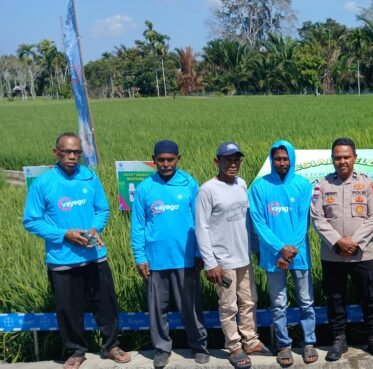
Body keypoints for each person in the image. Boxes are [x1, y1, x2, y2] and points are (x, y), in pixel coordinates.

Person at [23, 132, 131, 369]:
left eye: (76, 152)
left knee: (106, 304)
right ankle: (76, 351)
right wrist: (64, 234)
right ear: (56, 153)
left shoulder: (90, 177)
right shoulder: (43, 184)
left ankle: (111, 346)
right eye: (67, 152)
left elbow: (102, 208)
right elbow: (31, 220)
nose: (72, 156)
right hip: (62, 260)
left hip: (94, 256)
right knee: (68, 309)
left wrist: (95, 228)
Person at [130, 140, 209, 368]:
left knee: (191, 307)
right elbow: (138, 226)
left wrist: (198, 252)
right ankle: (162, 348)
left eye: (170, 159)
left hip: (185, 258)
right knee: (157, 309)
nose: (165, 164)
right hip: (156, 260)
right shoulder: (145, 188)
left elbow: (199, 221)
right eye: (161, 159)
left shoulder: (189, 184)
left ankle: (199, 345)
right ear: (153, 159)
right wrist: (140, 256)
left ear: (178, 159)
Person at [310, 138, 373, 361]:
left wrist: (354, 241)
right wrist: (338, 241)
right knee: (335, 298)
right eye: (337, 157)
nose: (342, 161)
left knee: (370, 297)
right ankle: (339, 340)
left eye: (346, 156)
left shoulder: (368, 183)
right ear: (332, 159)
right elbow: (318, 217)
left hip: (362, 253)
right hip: (333, 255)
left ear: (355, 157)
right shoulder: (322, 185)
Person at [195, 142, 267, 369]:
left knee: (249, 300)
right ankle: (234, 346)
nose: (232, 164)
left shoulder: (242, 184)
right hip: (223, 261)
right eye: (227, 160)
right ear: (217, 162)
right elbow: (201, 227)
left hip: (243, 257)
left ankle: (251, 340)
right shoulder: (208, 190)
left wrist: (255, 248)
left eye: (236, 160)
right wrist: (210, 263)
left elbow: (247, 221)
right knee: (228, 306)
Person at [248, 140, 318, 366]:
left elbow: (303, 221)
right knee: (278, 303)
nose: (282, 163)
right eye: (277, 159)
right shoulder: (259, 187)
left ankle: (309, 342)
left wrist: (290, 249)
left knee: (306, 301)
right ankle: (284, 345)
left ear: (292, 159)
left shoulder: (303, 185)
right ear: (271, 160)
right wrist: (280, 248)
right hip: (273, 257)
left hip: (299, 255)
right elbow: (258, 222)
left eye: (285, 158)